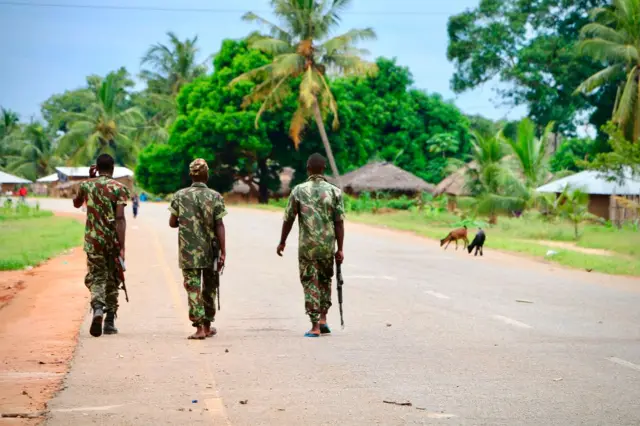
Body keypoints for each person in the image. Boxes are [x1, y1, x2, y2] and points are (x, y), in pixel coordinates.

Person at [277, 153, 345, 338]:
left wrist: (282, 241)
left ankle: (315, 326)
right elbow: (339, 222)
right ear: (324, 169)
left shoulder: (298, 191)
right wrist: (340, 248)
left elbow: (288, 219)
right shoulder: (334, 191)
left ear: (308, 169)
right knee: (325, 280)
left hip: (307, 247)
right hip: (326, 246)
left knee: (310, 282)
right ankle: (323, 320)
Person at [168, 159, 227, 340]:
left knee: (193, 288)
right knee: (209, 288)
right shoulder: (215, 196)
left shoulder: (179, 195)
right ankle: (208, 326)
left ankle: (199, 328)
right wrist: (224, 250)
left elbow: (172, 223)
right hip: (210, 250)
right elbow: (219, 224)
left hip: (188, 251)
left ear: (190, 175)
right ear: (206, 175)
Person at [73, 154, 130, 337]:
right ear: (113, 168)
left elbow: (76, 204)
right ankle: (110, 321)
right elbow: (120, 218)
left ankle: (98, 308)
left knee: (97, 277)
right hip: (112, 242)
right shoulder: (119, 188)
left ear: (96, 167)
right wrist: (122, 246)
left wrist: (89, 179)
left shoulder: (87, 185)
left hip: (93, 242)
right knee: (113, 279)